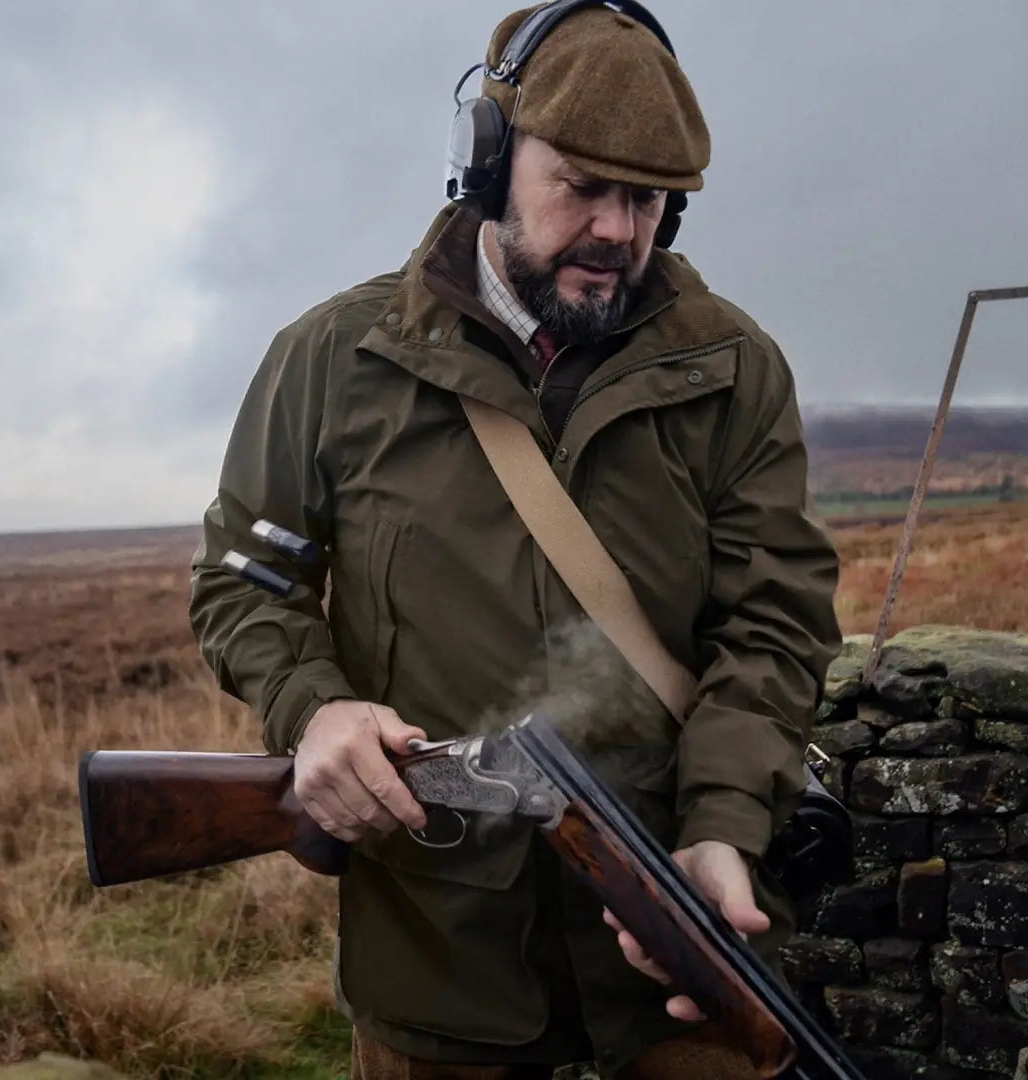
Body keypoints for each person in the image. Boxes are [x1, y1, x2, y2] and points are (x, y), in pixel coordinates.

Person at [189, 3, 842, 1078]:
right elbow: (242, 585)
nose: (618, 231)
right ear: (488, 161)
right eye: (582, 184)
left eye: (646, 198)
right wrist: (317, 710)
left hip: (676, 939)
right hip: (434, 956)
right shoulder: (331, 359)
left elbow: (773, 624)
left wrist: (722, 826)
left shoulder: (737, 370)